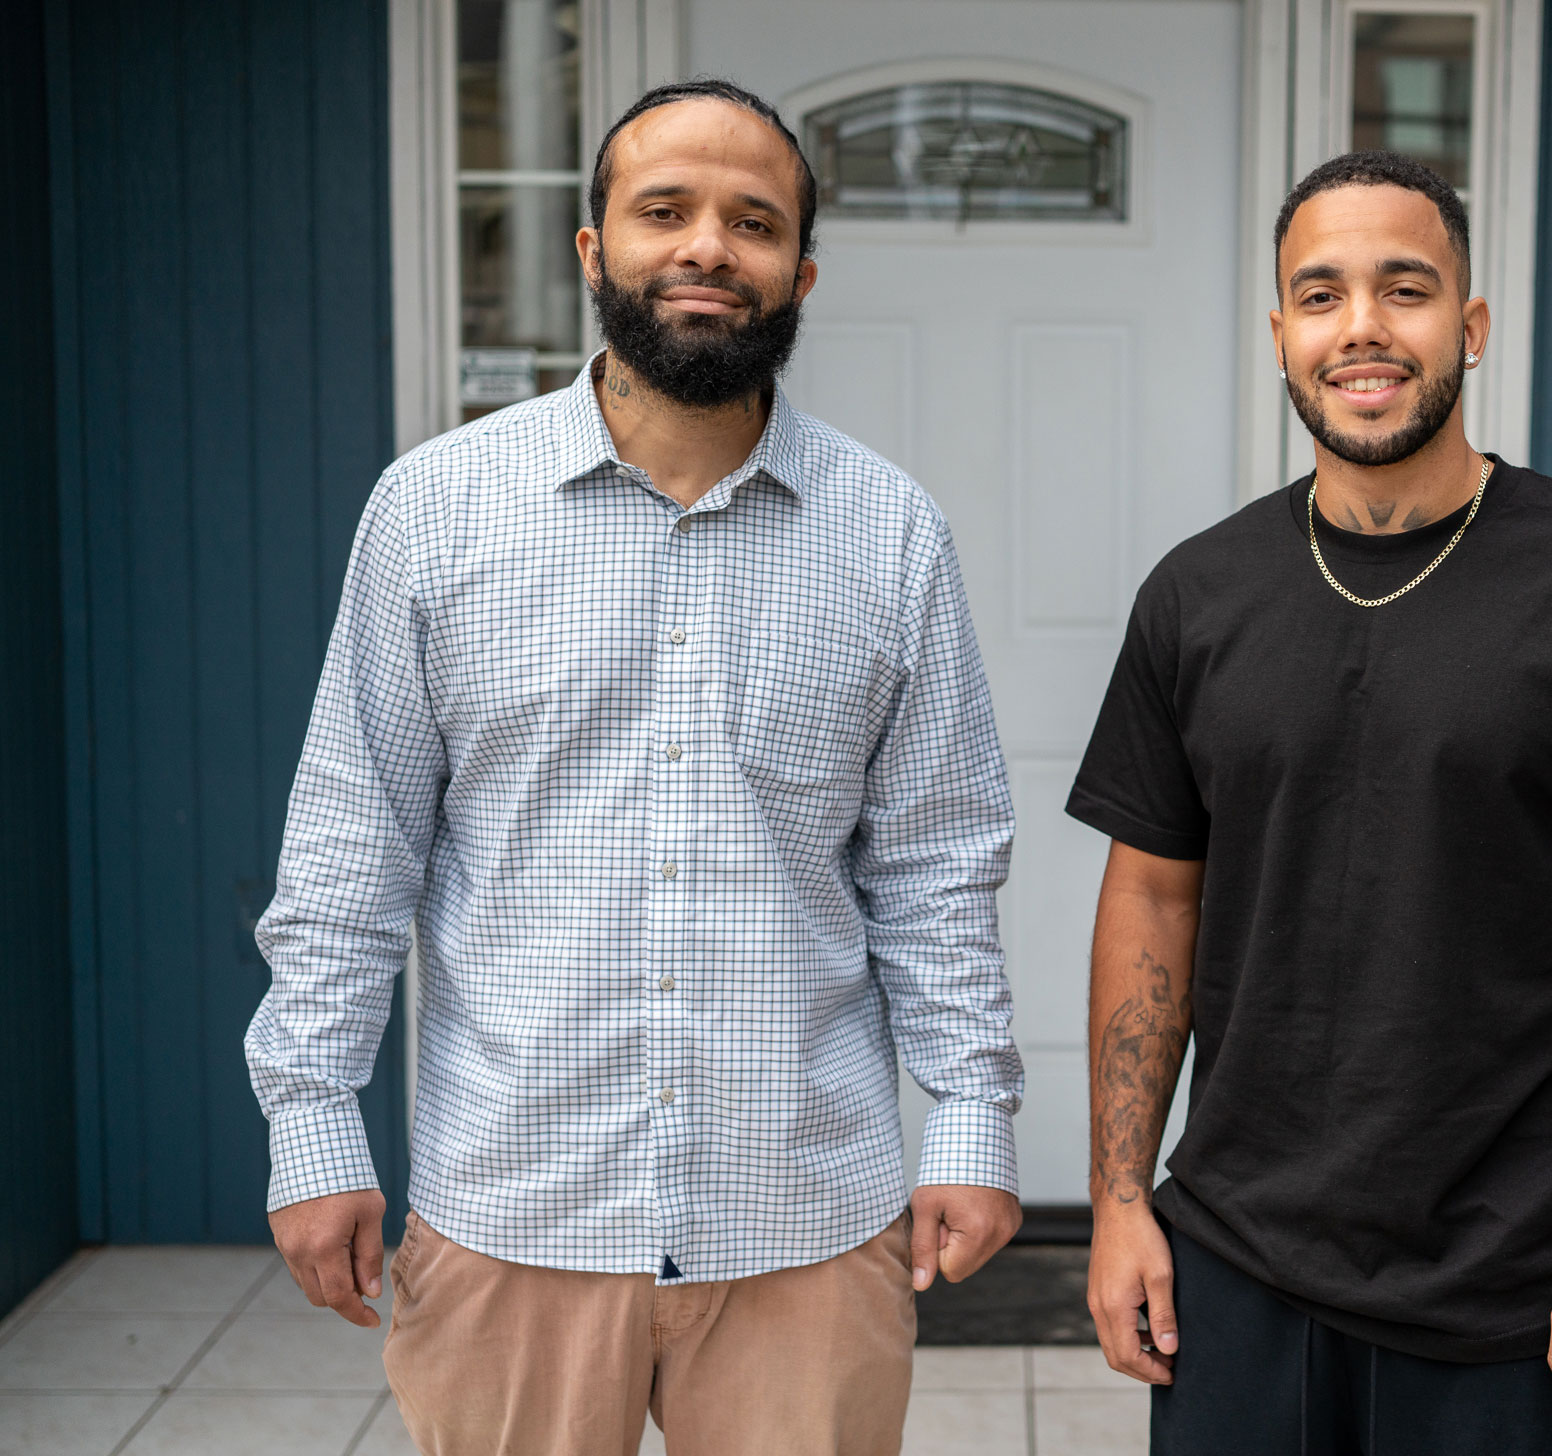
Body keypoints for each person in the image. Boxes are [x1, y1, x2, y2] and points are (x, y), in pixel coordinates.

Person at [246, 79, 1024, 1456]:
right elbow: (352, 844)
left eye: (755, 221)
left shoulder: (890, 537)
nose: (709, 247)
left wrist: (969, 1117)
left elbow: (936, 869)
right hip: (513, 1218)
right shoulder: (434, 513)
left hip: (804, 1220)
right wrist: (312, 1125)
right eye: (664, 211)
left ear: (802, 272)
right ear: (595, 248)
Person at [1069, 150, 1552, 1453]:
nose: (1362, 327)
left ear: (1470, 325)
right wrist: (1120, 1201)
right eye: (1322, 291)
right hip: (1233, 1273)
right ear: (1282, 332)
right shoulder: (1199, 595)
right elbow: (1154, 897)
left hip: (1512, 1286)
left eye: (1404, 288)